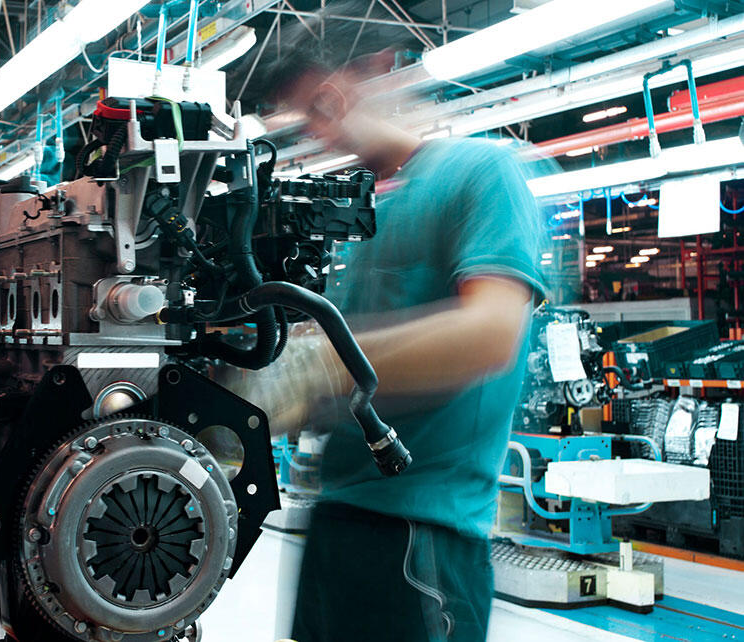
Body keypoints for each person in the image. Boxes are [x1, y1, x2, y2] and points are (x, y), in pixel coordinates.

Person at [231, 36, 546, 642]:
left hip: (423, 534)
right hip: (333, 520)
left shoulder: (481, 172)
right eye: (306, 117)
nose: (321, 129)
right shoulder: (355, 215)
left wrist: (320, 366)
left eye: (324, 102)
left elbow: (490, 333)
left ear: (379, 69)